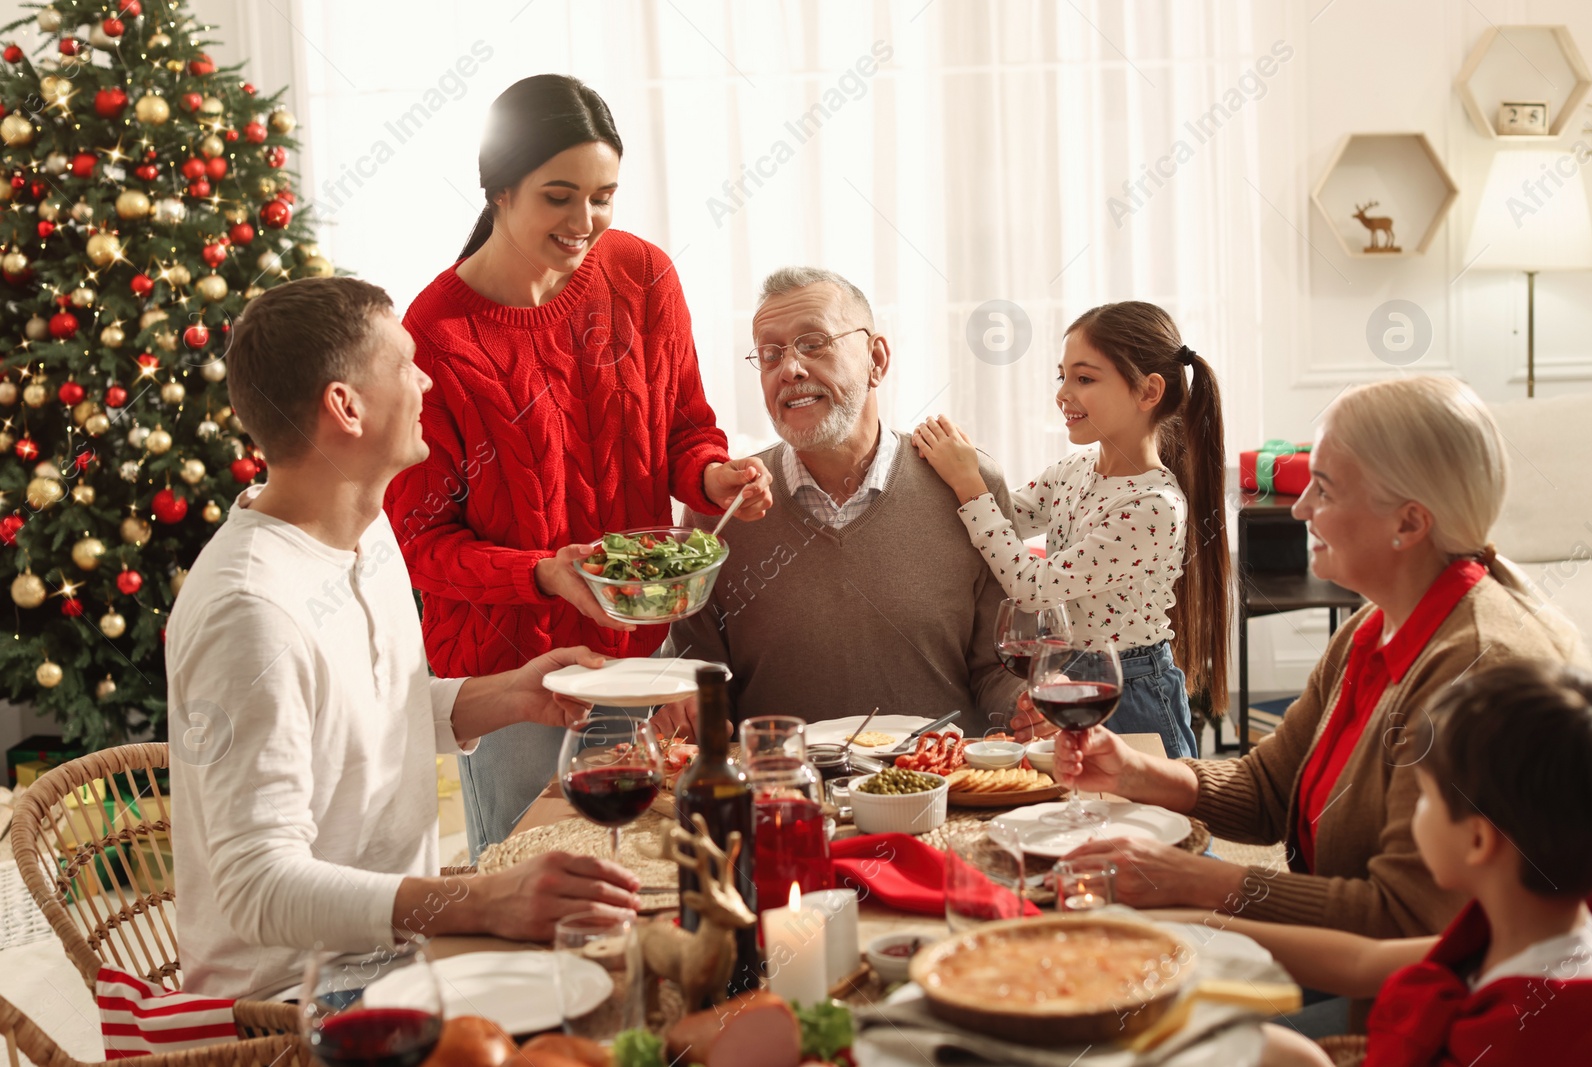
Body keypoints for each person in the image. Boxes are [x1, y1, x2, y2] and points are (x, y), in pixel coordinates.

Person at [168, 278, 644, 1000]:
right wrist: (482, 900)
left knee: (637, 953)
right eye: (406, 362)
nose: (425, 380)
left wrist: (511, 693)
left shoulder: (367, 529)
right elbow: (256, 886)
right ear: (345, 406)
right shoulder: (250, 608)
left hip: (401, 949)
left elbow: (360, 712)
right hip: (301, 999)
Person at [383, 76, 772, 857]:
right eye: (559, 197)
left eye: (603, 196)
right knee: (539, 891)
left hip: (642, 654)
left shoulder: (643, 274)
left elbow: (685, 430)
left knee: (660, 872)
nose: (584, 221)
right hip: (518, 683)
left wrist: (711, 476)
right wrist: (544, 574)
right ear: (498, 189)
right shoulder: (434, 335)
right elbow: (422, 544)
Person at [1050, 376, 1591, 936]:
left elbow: (1405, 920)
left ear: (1409, 522)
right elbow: (1269, 789)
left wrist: (1197, 881)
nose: (1302, 509)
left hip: (1404, 1002)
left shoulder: (1473, 668)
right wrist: (1135, 771)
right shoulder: (1373, 625)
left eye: (1325, 492)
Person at [1158, 662, 1592, 1066]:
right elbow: (1362, 960)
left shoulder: (1521, 1035)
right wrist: (1183, 925)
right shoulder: (1532, 921)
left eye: (1423, 797)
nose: (1412, 810)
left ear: (1478, 840)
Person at [667, 267, 1023, 733]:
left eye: (813, 344)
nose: (789, 369)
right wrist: (686, 704)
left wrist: (1024, 706)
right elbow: (701, 677)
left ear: (876, 359)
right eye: (770, 354)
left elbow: (997, 670)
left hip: (939, 788)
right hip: (785, 793)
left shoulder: (970, 486)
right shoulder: (721, 505)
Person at [912, 301, 1230, 759]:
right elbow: (1007, 518)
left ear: (1149, 392)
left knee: (1148, 826)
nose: (1063, 393)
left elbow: (1033, 586)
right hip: (1069, 678)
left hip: (1132, 693)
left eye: (1084, 378)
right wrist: (958, 476)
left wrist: (968, 481)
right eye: (1061, 376)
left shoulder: (1154, 507)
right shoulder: (1073, 470)